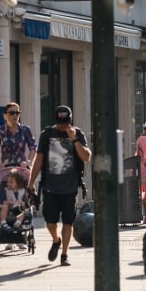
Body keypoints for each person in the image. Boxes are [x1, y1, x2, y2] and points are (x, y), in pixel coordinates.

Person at [28, 106, 91, 267]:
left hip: (70, 187)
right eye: (60, 123)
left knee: (68, 222)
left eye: (65, 122)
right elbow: (39, 160)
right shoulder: (47, 135)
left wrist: (75, 140)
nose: (63, 126)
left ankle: (64, 254)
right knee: (50, 222)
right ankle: (56, 240)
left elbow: (86, 157)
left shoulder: (77, 133)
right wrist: (30, 183)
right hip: (50, 186)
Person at [0, 102, 36, 170]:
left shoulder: (25, 130)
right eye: (11, 113)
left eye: (17, 113)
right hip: (6, 169)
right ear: (5, 115)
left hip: (22, 168)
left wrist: (28, 162)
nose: (15, 115)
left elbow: (33, 148)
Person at [0, 169, 30, 250]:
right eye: (8, 182)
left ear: (18, 183)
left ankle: (18, 224)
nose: (8, 184)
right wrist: (7, 202)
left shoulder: (22, 191)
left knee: (22, 208)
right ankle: (3, 223)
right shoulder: (5, 190)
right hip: (8, 210)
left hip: (18, 211)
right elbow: (1, 200)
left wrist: (21, 202)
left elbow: (26, 202)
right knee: (4, 206)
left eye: (11, 182)